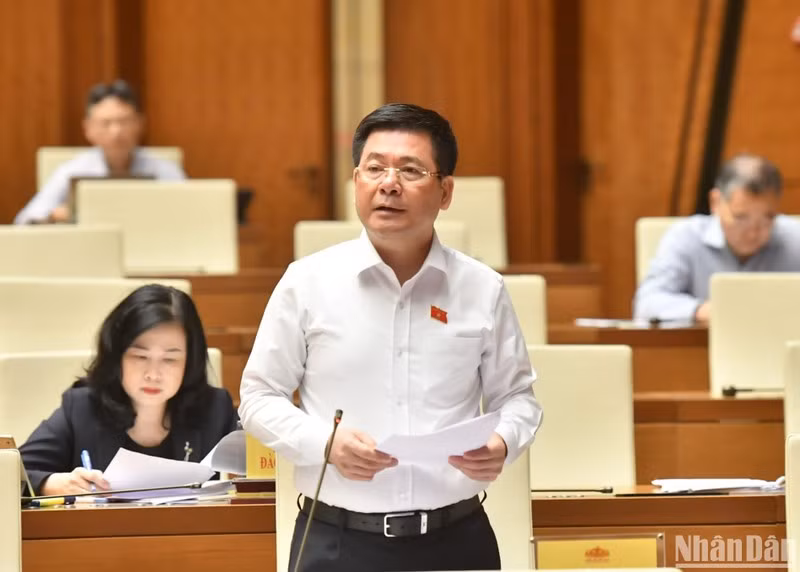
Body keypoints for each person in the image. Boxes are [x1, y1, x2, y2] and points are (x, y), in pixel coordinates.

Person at [239, 103, 542, 571]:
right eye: (374, 168)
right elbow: (258, 397)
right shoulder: (307, 282)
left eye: (410, 170)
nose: (389, 183)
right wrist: (325, 443)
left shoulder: (482, 288)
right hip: (336, 543)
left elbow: (519, 398)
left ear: (445, 192)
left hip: (456, 540)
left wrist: (502, 441)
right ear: (356, 181)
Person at [19, 284, 238, 496]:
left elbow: (255, 480)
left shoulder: (215, 410)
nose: (153, 374)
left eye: (170, 359)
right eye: (140, 356)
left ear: (190, 361)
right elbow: (13, 474)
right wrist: (50, 484)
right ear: (117, 356)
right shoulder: (82, 408)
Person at [633, 153, 800, 323]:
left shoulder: (795, 239)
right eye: (741, 218)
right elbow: (647, 303)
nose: (753, 233)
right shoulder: (686, 237)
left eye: (768, 218)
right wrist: (701, 311)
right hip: (703, 346)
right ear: (716, 202)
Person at [14, 79, 185, 224]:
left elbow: (189, 214)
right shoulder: (72, 170)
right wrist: (57, 215)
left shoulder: (164, 170)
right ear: (88, 128)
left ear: (140, 124)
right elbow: (25, 220)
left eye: (124, 121)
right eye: (106, 123)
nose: (116, 131)